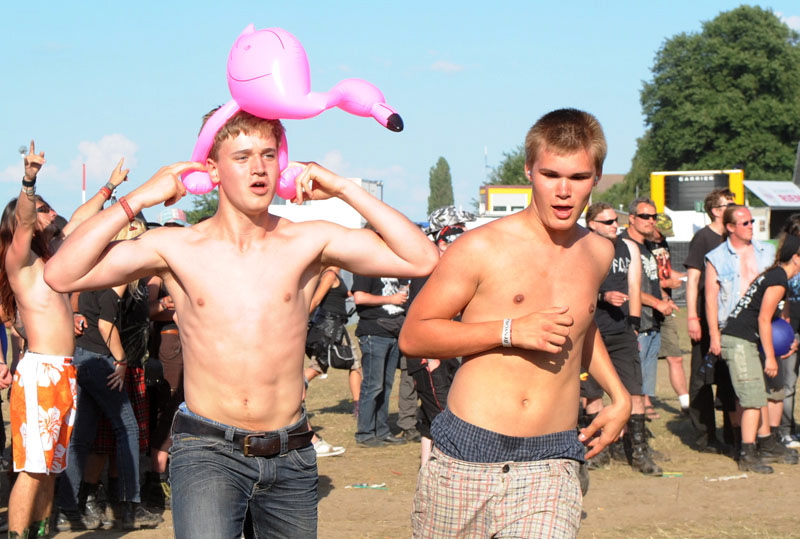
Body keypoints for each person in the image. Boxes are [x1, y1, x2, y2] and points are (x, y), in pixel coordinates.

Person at [43, 109, 439, 538]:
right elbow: (61, 273)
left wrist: (344, 189)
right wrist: (137, 197)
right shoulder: (177, 246)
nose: (259, 169)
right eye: (243, 156)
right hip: (207, 449)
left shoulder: (308, 241)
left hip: (291, 451)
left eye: (269, 155)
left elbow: (421, 258)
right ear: (211, 169)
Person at [400, 108, 631, 537]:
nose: (563, 191)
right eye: (550, 174)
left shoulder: (599, 252)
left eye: (578, 178)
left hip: (552, 458)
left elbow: (583, 326)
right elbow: (415, 335)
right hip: (467, 453)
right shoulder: (480, 247)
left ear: (597, 177)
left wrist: (620, 396)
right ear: (529, 170)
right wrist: (509, 331)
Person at [0, 143, 126, 538]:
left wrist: (108, 187)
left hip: (63, 373)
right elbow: (23, 221)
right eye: (44, 209)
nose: (52, 213)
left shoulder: (53, 256)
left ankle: (39, 534)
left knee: (51, 470)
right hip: (39, 372)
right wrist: (29, 181)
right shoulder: (19, 258)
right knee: (33, 470)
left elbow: (83, 222)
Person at [56, 217, 162, 531]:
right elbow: (105, 324)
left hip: (87, 358)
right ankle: (129, 506)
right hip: (100, 359)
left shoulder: (103, 264)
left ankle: (67, 510)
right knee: (127, 429)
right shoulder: (116, 271)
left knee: (83, 437)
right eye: (139, 236)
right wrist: (122, 360)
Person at [584, 203, 660, 475]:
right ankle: (598, 449)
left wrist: (635, 324)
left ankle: (638, 451)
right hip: (592, 333)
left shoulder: (628, 248)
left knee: (634, 391)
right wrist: (603, 298)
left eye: (615, 220)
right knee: (592, 395)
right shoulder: (582, 248)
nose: (614, 225)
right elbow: (575, 292)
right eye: (607, 222)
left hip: (622, 331)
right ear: (591, 224)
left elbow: (634, 287)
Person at [721, 235, 800, 473]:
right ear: (796, 257)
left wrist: (788, 342)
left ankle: (767, 444)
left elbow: (776, 319)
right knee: (753, 399)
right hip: (739, 341)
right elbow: (763, 319)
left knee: (768, 393)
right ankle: (747, 453)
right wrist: (770, 356)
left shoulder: (779, 276)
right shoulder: (777, 279)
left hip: (750, 341)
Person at [705, 205, 774, 455]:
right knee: (744, 389)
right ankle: (744, 445)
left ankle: (766, 440)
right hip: (733, 330)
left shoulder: (767, 251)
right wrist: (714, 334)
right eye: (745, 223)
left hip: (766, 328)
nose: (751, 227)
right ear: (730, 227)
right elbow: (711, 300)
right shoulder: (716, 257)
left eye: (752, 221)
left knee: (764, 388)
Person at [406, 222, 466, 465]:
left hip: (447, 352)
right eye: (455, 244)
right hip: (429, 355)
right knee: (442, 414)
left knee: (430, 416)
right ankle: (443, 469)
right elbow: (417, 316)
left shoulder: (453, 271)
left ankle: (425, 467)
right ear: (442, 245)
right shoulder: (429, 271)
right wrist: (431, 358)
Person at [684, 188, 736, 453]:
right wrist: (692, 316)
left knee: (729, 377)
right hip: (706, 319)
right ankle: (705, 437)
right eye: (730, 203)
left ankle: (733, 433)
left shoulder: (735, 238)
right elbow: (693, 280)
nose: (736, 206)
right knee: (702, 379)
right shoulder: (703, 238)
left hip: (730, 321)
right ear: (716, 210)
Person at [620, 198, 677, 419]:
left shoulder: (647, 245)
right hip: (635, 320)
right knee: (633, 375)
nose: (651, 221)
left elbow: (651, 281)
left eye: (653, 217)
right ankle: (632, 423)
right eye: (645, 216)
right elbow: (628, 287)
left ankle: (643, 414)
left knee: (648, 370)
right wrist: (657, 303)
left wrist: (664, 298)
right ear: (631, 219)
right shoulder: (623, 245)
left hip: (652, 320)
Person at [351, 269, 411, 447]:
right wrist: (390, 299)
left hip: (393, 332)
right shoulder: (366, 267)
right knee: (373, 385)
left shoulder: (394, 269)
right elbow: (359, 297)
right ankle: (365, 434)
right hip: (373, 332)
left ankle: (382, 431)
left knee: (386, 385)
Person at [304, 265, 356, 457]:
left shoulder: (337, 275)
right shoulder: (330, 274)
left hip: (337, 324)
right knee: (320, 366)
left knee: (352, 364)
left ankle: (358, 406)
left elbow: (340, 294)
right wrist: (301, 319)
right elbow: (317, 299)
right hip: (328, 326)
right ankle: (300, 383)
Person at [649, 214, 689, 414]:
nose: (661, 237)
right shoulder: (642, 245)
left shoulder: (663, 243)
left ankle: (685, 404)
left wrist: (684, 277)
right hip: (648, 307)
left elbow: (666, 271)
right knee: (644, 356)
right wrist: (665, 284)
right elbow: (642, 279)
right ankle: (644, 403)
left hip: (667, 306)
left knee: (676, 357)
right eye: (660, 233)